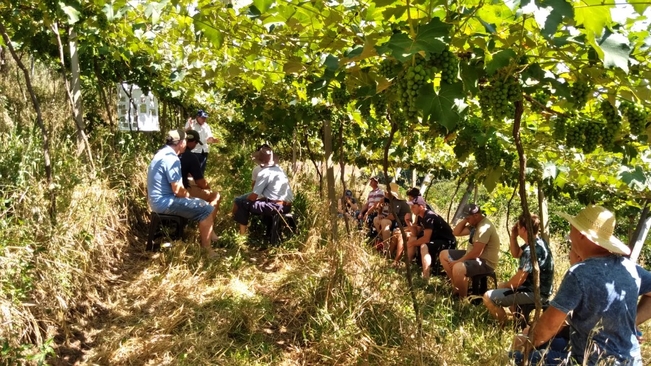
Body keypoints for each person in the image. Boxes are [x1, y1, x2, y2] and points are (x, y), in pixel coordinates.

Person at [512, 205, 651, 365]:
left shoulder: (579, 273)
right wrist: (631, 322)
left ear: (582, 235)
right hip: (632, 361)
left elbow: (547, 328)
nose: (570, 235)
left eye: (572, 229)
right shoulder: (629, 267)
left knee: (515, 357)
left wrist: (523, 345)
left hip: (590, 361)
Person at [147, 129, 218, 257]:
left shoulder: (161, 153)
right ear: (180, 143)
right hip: (165, 203)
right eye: (185, 140)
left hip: (156, 201)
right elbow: (178, 191)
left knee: (199, 204)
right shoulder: (172, 159)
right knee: (206, 209)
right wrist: (191, 198)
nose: (186, 142)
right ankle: (207, 251)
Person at [483, 213, 554, 325]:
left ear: (524, 229)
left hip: (535, 293)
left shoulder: (531, 251)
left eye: (518, 226)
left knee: (488, 297)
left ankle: (502, 326)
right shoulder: (539, 242)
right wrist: (513, 236)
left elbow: (518, 281)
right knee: (503, 287)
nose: (517, 228)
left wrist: (506, 284)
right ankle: (518, 321)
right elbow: (516, 253)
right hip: (541, 290)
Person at [440, 204, 500, 298]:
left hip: (485, 262)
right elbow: (456, 232)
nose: (467, 220)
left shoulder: (483, 228)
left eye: (468, 218)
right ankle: (456, 286)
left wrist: (458, 261)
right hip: (473, 256)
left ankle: (463, 299)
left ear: (476, 216)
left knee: (458, 267)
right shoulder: (474, 224)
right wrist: (466, 219)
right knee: (444, 254)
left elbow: (476, 253)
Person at [233, 147, 294, 235]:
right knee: (246, 201)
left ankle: (242, 235)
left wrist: (246, 199)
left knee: (242, 203)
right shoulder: (280, 170)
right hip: (286, 206)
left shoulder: (264, 173)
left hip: (274, 206)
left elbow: (253, 196)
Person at [401, 196, 456, 279]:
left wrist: (410, 244)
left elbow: (426, 239)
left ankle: (426, 276)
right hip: (435, 239)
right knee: (413, 239)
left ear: (421, 206)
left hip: (447, 241)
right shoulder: (420, 216)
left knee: (424, 246)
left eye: (413, 206)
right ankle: (408, 265)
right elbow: (415, 233)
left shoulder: (429, 217)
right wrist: (408, 222)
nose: (411, 208)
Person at [179, 130, 220, 207]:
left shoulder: (173, 153)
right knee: (215, 196)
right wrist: (208, 189)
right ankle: (208, 218)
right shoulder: (191, 157)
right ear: (193, 142)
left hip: (168, 190)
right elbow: (200, 182)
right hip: (182, 190)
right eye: (196, 143)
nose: (196, 145)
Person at [373, 182, 411, 250]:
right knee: (376, 219)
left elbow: (393, 216)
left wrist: (383, 219)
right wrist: (380, 214)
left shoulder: (398, 201)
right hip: (394, 221)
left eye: (387, 192)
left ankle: (386, 247)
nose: (385, 193)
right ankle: (384, 240)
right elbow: (380, 209)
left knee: (384, 222)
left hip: (401, 222)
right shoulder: (387, 199)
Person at [184, 109, 217, 174]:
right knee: (192, 172)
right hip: (194, 151)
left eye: (205, 118)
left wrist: (213, 140)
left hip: (204, 151)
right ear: (197, 117)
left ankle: (199, 183)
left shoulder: (206, 126)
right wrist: (189, 128)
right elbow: (185, 135)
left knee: (201, 172)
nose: (204, 119)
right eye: (202, 118)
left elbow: (209, 137)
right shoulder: (191, 123)